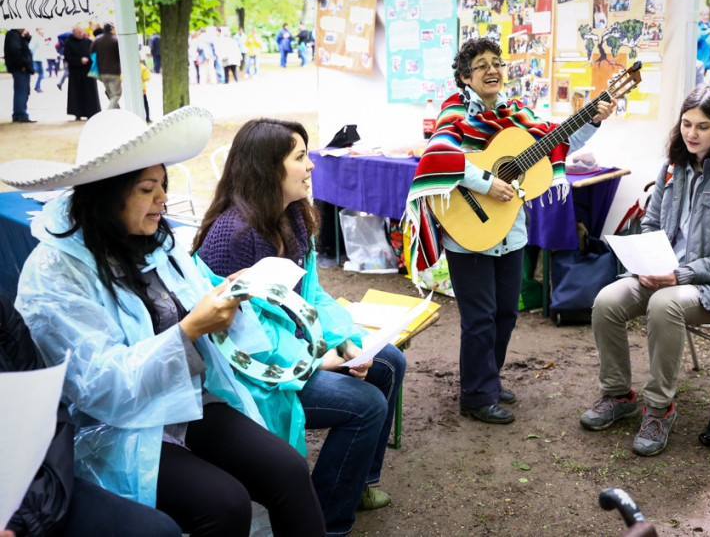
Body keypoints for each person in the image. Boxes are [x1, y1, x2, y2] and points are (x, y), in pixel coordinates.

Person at [0, 107, 326, 537]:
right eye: (147, 189)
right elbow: (99, 387)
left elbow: (197, 308)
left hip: (186, 400)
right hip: (113, 426)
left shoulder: (155, 242)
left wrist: (226, 297)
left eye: (163, 186)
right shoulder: (55, 271)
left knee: (287, 469)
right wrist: (189, 330)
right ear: (107, 196)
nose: (163, 200)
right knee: (223, 503)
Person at [193, 119, 406, 536]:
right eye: (300, 157)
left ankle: (355, 482)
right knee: (366, 405)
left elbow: (313, 294)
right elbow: (240, 337)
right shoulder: (233, 236)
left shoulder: (292, 216)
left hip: (295, 351)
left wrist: (345, 341)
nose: (311, 166)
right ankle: (325, 520)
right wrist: (314, 360)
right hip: (254, 377)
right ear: (267, 167)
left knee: (389, 362)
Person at [405, 37, 613, 425]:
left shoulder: (517, 114)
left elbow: (558, 141)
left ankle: (488, 379)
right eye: (482, 65)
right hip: (468, 230)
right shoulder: (455, 113)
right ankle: (476, 396)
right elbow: (438, 157)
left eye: (497, 63)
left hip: (509, 230)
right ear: (465, 77)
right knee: (479, 317)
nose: (492, 70)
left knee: (505, 313)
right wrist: (486, 182)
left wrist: (593, 118)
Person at [579, 84, 710, 456]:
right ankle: (618, 395)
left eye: (703, 126)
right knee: (606, 301)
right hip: (662, 274)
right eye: (686, 124)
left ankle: (659, 407)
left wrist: (682, 275)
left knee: (664, 304)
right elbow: (651, 224)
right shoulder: (673, 167)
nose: (692, 134)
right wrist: (644, 261)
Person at [1, 294, 183, 537]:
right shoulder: (46, 285)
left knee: (161, 529)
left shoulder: (3, 312)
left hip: (37, 485)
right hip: (117, 426)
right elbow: (100, 386)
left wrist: (28, 515)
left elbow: (42, 411)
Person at [62, 24, 101, 121]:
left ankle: (91, 112)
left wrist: (88, 59)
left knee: (90, 93)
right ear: (73, 33)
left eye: (81, 32)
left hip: (87, 71)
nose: (80, 34)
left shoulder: (88, 42)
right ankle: (77, 113)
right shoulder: (69, 42)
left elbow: (94, 54)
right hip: (75, 71)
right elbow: (67, 57)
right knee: (76, 93)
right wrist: (79, 60)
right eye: (78, 33)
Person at [3, 28, 35, 123]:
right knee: (22, 91)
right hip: (20, 68)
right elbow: (15, 50)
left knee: (21, 91)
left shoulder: (16, 36)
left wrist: (27, 37)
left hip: (20, 67)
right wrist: (22, 64)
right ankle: (21, 114)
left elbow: (22, 47)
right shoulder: (14, 35)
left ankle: (19, 114)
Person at [90, 23, 122, 109]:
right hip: (114, 71)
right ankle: (109, 111)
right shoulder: (115, 40)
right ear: (111, 29)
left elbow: (91, 53)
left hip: (102, 72)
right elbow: (120, 55)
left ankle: (117, 111)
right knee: (116, 94)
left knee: (111, 94)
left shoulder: (97, 40)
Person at [696, 8, 710, 84]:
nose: (706, 17)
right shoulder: (697, 27)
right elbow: (697, 38)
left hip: (709, 63)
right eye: (704, 15)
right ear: (700, 15)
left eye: (708, 15)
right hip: (700, 61)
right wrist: (707, 32)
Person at [30, 27, 50, 93]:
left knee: (41, 74)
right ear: (37, 30)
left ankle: (37, 87)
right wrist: (30, 57)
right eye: (41, 29)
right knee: (36, 73)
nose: (42, 31)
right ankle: (36, 87)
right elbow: (31, 47)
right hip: (36, 58)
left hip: (40, 59)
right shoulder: (35, 37)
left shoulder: (41, 38)